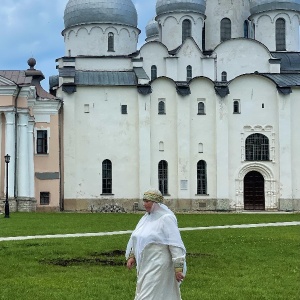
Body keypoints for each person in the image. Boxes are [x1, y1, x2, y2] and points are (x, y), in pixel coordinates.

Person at [126, 188, 187, 300]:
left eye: (147, 201)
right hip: (146, 264)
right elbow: (139, 238)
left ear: (155, 202)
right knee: (147, 293)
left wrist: (178, 267)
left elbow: (175, 244)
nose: (144, 204)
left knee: (147, 296)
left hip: (159, 265)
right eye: (143, 201)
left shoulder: (166, 219)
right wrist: (132, 256)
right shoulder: (145, 218)